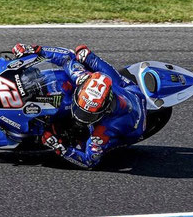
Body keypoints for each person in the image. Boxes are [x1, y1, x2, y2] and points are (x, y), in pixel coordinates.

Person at [11, 42, 147, 169]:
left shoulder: (105, 128)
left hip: (134, 118)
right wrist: (35, 50)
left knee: (88, 146)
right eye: (81, 111)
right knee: (84, 55)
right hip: (122, 90)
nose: (80, 117)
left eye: (88, 115)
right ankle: (89, 56)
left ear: (104, 110)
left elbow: (89, 161)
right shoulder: (82, 77)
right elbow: (66, 57)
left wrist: (60, 147)